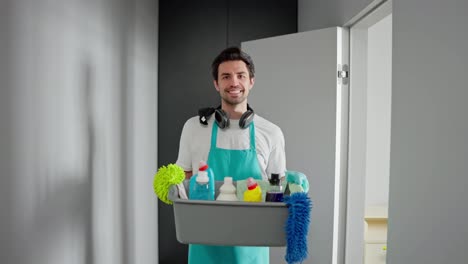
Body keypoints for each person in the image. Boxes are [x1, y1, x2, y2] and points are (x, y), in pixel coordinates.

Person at [176, 46, 286, 264]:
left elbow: (277, 190)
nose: (233, 82)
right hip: (204, 245)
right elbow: (183, 181)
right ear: (216, 84)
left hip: (252, 248)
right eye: (225, 76)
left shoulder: (271, 132)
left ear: (251, 81)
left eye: (241, 76)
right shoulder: (194, 128)